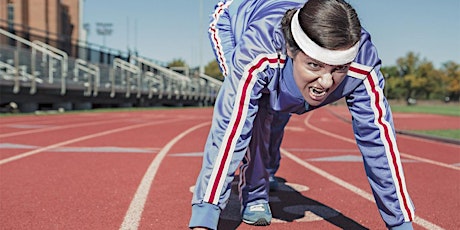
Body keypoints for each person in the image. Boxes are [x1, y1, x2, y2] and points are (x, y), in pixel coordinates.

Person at [189, 0, 415, 229]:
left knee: (281, 110)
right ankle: (255, 194)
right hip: (234, 18)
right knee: (255, 111)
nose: (327, 83)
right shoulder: (258, 50)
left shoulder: (362, 63)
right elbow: (230, 129)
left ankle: (267, 169)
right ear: (291, 50)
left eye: (339, 69)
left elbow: (378, 142)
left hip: (289, 49)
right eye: (314, 66)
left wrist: (400, 223)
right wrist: (205, 213)